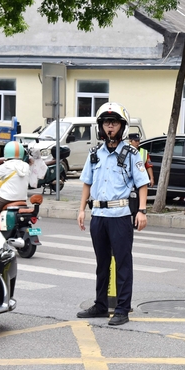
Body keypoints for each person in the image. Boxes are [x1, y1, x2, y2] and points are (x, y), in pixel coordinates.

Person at [77, 103, 149, 326]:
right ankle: (100, 305)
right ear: (101, 127)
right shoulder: (94, 154)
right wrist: (81, 210)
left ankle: (122, 309)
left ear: (122, 127)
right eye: (107, 123)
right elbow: (87, 183)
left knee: (123, 263)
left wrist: (142, 211)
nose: (110, 127)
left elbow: (142, 183)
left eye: (114, 122)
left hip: (120, 215)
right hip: (98, 215)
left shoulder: (130, 154)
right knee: (102, 263)